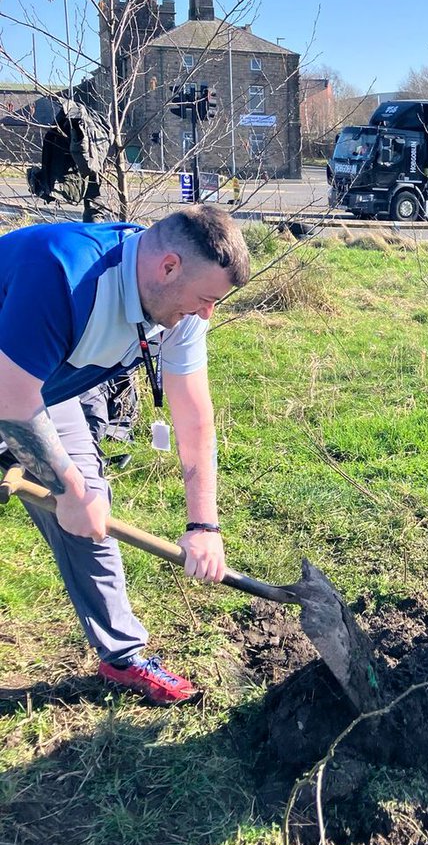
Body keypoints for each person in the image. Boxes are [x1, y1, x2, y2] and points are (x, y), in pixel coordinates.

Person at [0, 205, 251, 704]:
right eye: (205, 299)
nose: (207, 314)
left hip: (42, 386)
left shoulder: (181, 308)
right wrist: (66, 488)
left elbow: (194, 415)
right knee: (77, 493)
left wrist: (204, 526)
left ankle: (123, 658)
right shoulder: (63, 272)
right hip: (12, 383)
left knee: (88, 507)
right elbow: (9, 398)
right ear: (169, 267)